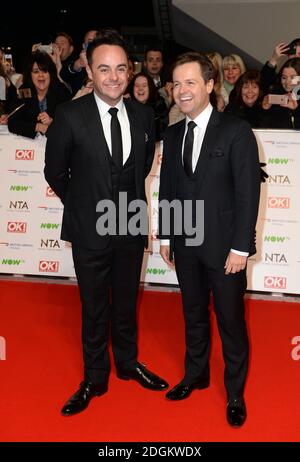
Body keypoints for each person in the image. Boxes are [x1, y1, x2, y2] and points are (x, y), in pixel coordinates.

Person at [44, 29, 168, 417]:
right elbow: (55, 172)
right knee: (94, 306)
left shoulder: (145, 114)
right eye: (104, 69)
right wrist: (84, 207)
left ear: (128, 72)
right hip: (90, 227)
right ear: (91, 73)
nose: (113, 77)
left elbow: (143, 165)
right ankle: (95, 377)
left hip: (130, 222)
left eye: (119, 69)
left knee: (127, 301)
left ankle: (128, 364)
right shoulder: (69, 116)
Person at [159, 52, 260, 427]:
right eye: (177, 83)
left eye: (190, 82)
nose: (182, 91)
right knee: (193, 315)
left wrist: (241, 247)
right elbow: (168, 188)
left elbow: (248, 194)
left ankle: (234, 392)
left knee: (231, 322)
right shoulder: (171, 134)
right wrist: (167, 233)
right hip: (184, 246)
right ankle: (196, 373)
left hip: (224, 250)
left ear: (209, 85)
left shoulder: (235, 131)